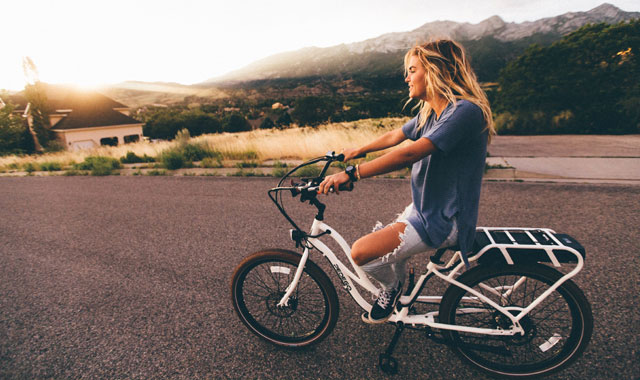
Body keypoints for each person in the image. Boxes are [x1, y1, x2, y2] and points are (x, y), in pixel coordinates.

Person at [318, 39, 495, 323]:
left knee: (361, 253)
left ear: (436, 71)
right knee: (387, 245)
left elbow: (410, 152)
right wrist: (358, 150)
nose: (406, 77)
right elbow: (396, 136)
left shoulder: (463, 112)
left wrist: (353, 173)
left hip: (445, 219)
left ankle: (391, 288)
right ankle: (399, 287)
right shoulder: (432, 113)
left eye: (413, 70)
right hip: (424, 209)